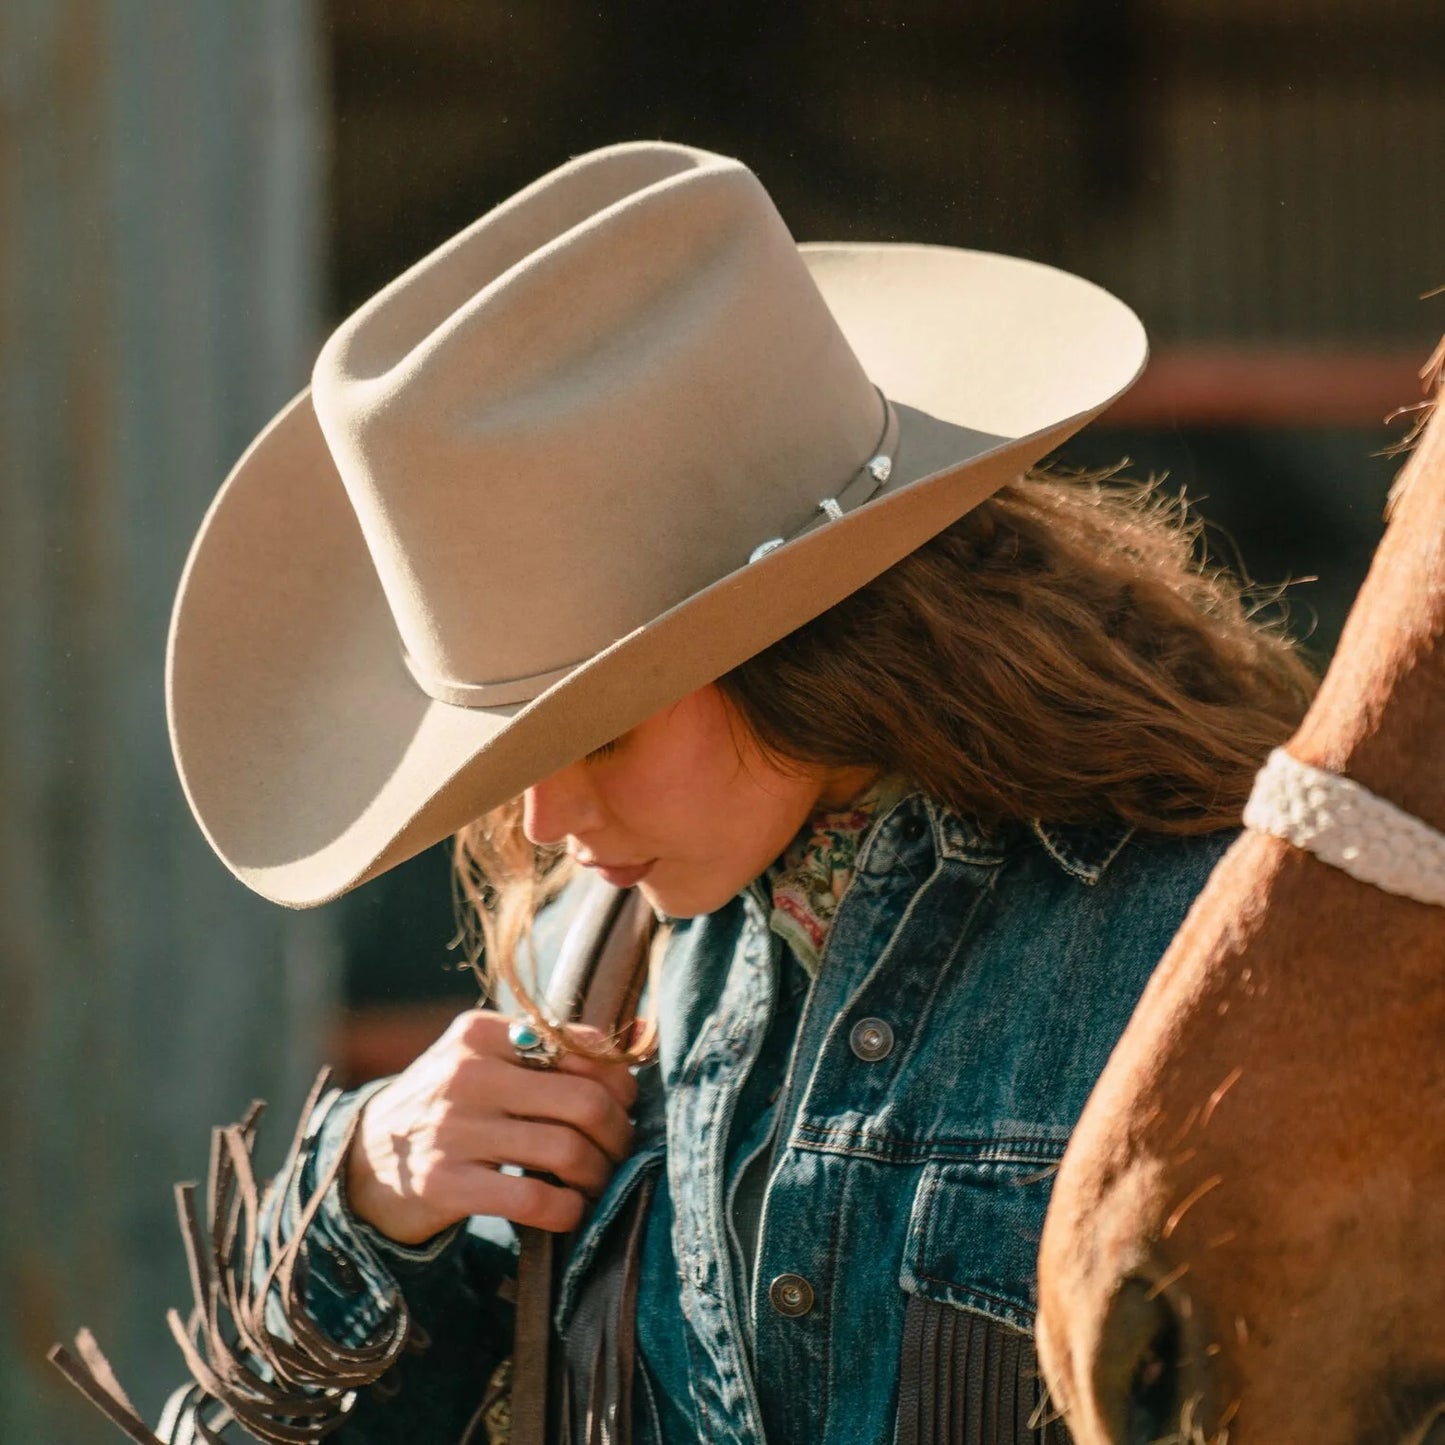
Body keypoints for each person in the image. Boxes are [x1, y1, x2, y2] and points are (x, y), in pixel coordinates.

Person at [57, 142, 1315, 1444]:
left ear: (805, 659)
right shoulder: (596, 968)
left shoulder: (1212, 938)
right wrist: (373, 1200)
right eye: (502, 751)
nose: (542, 823)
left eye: (598, 733)